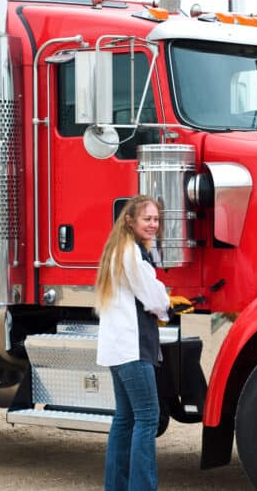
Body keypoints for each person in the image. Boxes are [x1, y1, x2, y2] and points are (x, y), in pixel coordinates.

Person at [95, 195, 170, 491]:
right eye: (147, 219)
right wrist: (167, 305)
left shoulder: (116, 250)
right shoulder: (131, 252)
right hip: (132, 348)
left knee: (125, 419)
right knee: (147, 418)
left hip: (117, 350)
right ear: (130, 221)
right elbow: (150, 294)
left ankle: (116, 487)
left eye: (156, 220)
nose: (153, 224)